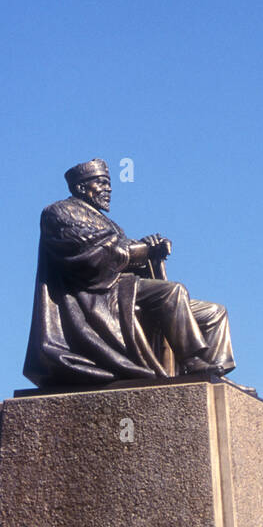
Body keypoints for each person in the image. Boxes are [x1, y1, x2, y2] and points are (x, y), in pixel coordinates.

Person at [23, 158, 235, 387]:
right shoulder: (59, 212)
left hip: (125, 289)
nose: (109, 189)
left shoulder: (109, 223)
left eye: (109, 184)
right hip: (96, 297)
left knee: (214, 312)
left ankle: (215, 376)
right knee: (172, 292)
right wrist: (141, 250)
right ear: (81, 187)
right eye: (102, 183)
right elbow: (92, 258)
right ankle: (192, 360)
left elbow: (126, 254)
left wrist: (152, 250)